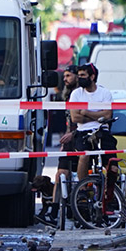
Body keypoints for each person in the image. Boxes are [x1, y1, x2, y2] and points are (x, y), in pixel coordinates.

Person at [69, 62, 117, 191]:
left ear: (92, 76)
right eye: (78, 75)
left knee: (113, 166)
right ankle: (83, 189)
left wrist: (85, 112)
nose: (79, 78)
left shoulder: (105, 93)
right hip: (83, 132)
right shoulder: (76, 94)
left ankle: (110, 193)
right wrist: (97, 115)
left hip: (102, 131)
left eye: (83, 75)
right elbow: (75, 118)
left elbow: (107, 115)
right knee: (83, 156)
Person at [50, 66, 80, 221]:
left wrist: (72, 134)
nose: (65, 79)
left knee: (79, 176)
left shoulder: (81, 94)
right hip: (67, 140)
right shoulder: (65, 95)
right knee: (61, 174)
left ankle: (76, 208)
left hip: (81, 137)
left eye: (68, 76)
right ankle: (54, 212)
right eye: (64, 76)